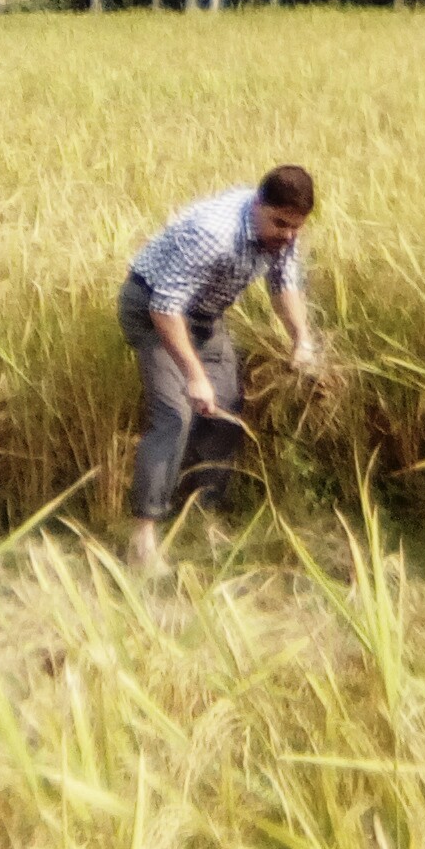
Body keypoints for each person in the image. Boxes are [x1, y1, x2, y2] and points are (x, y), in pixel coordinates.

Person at [120, 165, 322, 573]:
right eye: (280, 223)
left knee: (225, 408)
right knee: (175, 415)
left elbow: (284, 283)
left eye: (295, 227)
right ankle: (142, 541)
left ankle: (202, 516)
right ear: (258, 205)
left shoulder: (283, 233)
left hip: (205, 316)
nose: (287, 235)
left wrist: (301, 339)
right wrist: (195, 376)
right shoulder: (213, 233)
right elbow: (165, 307)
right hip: (152, 311)